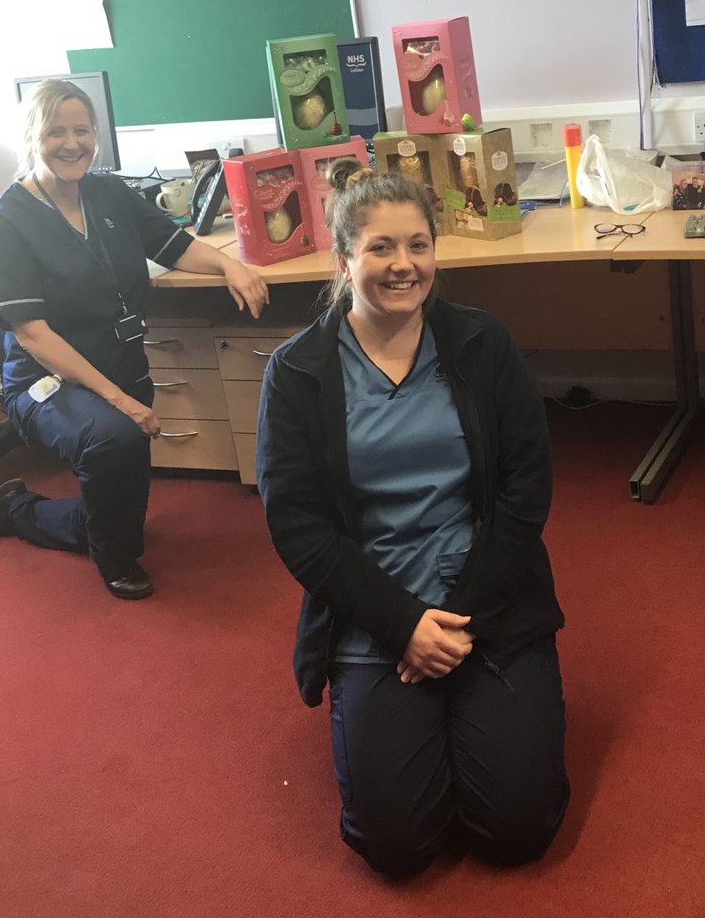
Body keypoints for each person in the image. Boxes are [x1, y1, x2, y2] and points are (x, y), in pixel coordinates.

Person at [256, 162, 569, 877]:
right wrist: (404, 626)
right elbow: (298, 523)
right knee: (396, 850)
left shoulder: (480, 344)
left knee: (516, 832)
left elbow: (526, 492)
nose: (404, 265)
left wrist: (454, 623)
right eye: (381, 248)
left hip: (486, 593)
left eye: (418, 245)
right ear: (344, 260)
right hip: (376, 602)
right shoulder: (299, 372)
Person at [0, 78, 269, 599]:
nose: (71, 143)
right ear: (32, 137)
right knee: (113, 440)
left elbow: (174, 245)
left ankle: (19, 508)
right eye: (56, 132)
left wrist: (230, 266)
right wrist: (120, 402)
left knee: (121, 510)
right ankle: (110, 556)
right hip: (46, 381)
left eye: (82, 130)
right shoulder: (9, 221)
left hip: (118, 364)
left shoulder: (108, 191)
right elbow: (32, 334)